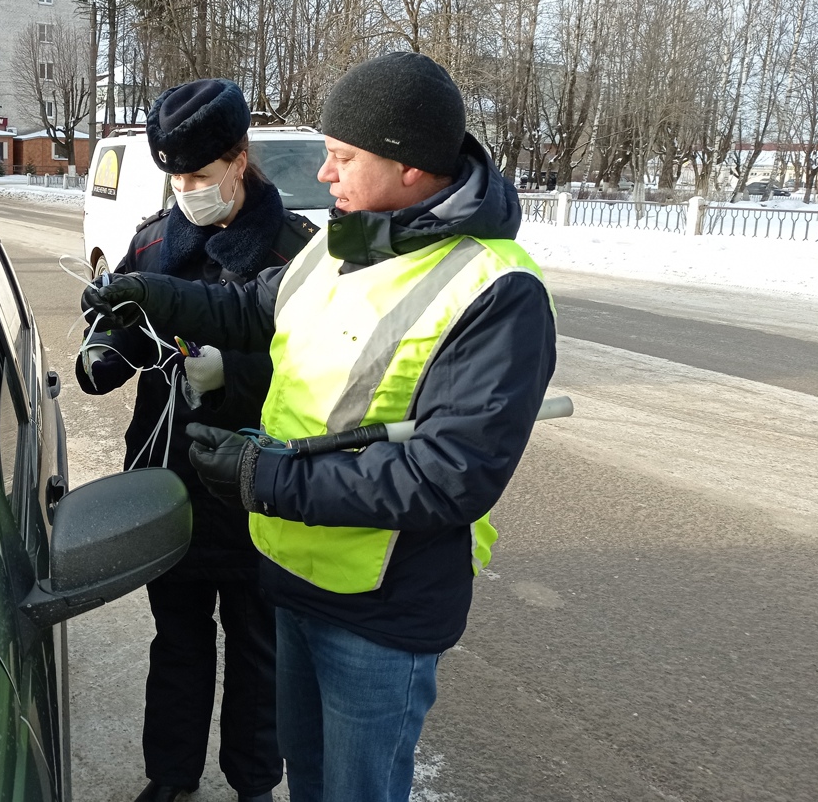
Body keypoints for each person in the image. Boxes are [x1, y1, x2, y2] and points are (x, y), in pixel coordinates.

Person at [84, 53, 558, 802]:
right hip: (292, 569)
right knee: (308, 780)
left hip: (378, 606)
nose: (326, 175)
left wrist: (258, 476)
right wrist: (150, 292)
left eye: (342, 157)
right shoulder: (355, 240)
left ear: (407, 168)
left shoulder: (495, 289)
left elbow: (447, 475)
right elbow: (251, 309)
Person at [76, 79, 316, 802]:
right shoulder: (153, 241)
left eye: (202, 176)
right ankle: (171, 778)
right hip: (169, 481)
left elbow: (317, 374)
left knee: (256, 650)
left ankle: (253, 783)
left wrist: (234, 376)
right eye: (177, 177)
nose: (189, 191)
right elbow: (113, 331)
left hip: (258, 487)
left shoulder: (297, 252)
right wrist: (100, 353)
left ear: (240, 159)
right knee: (177, 642)